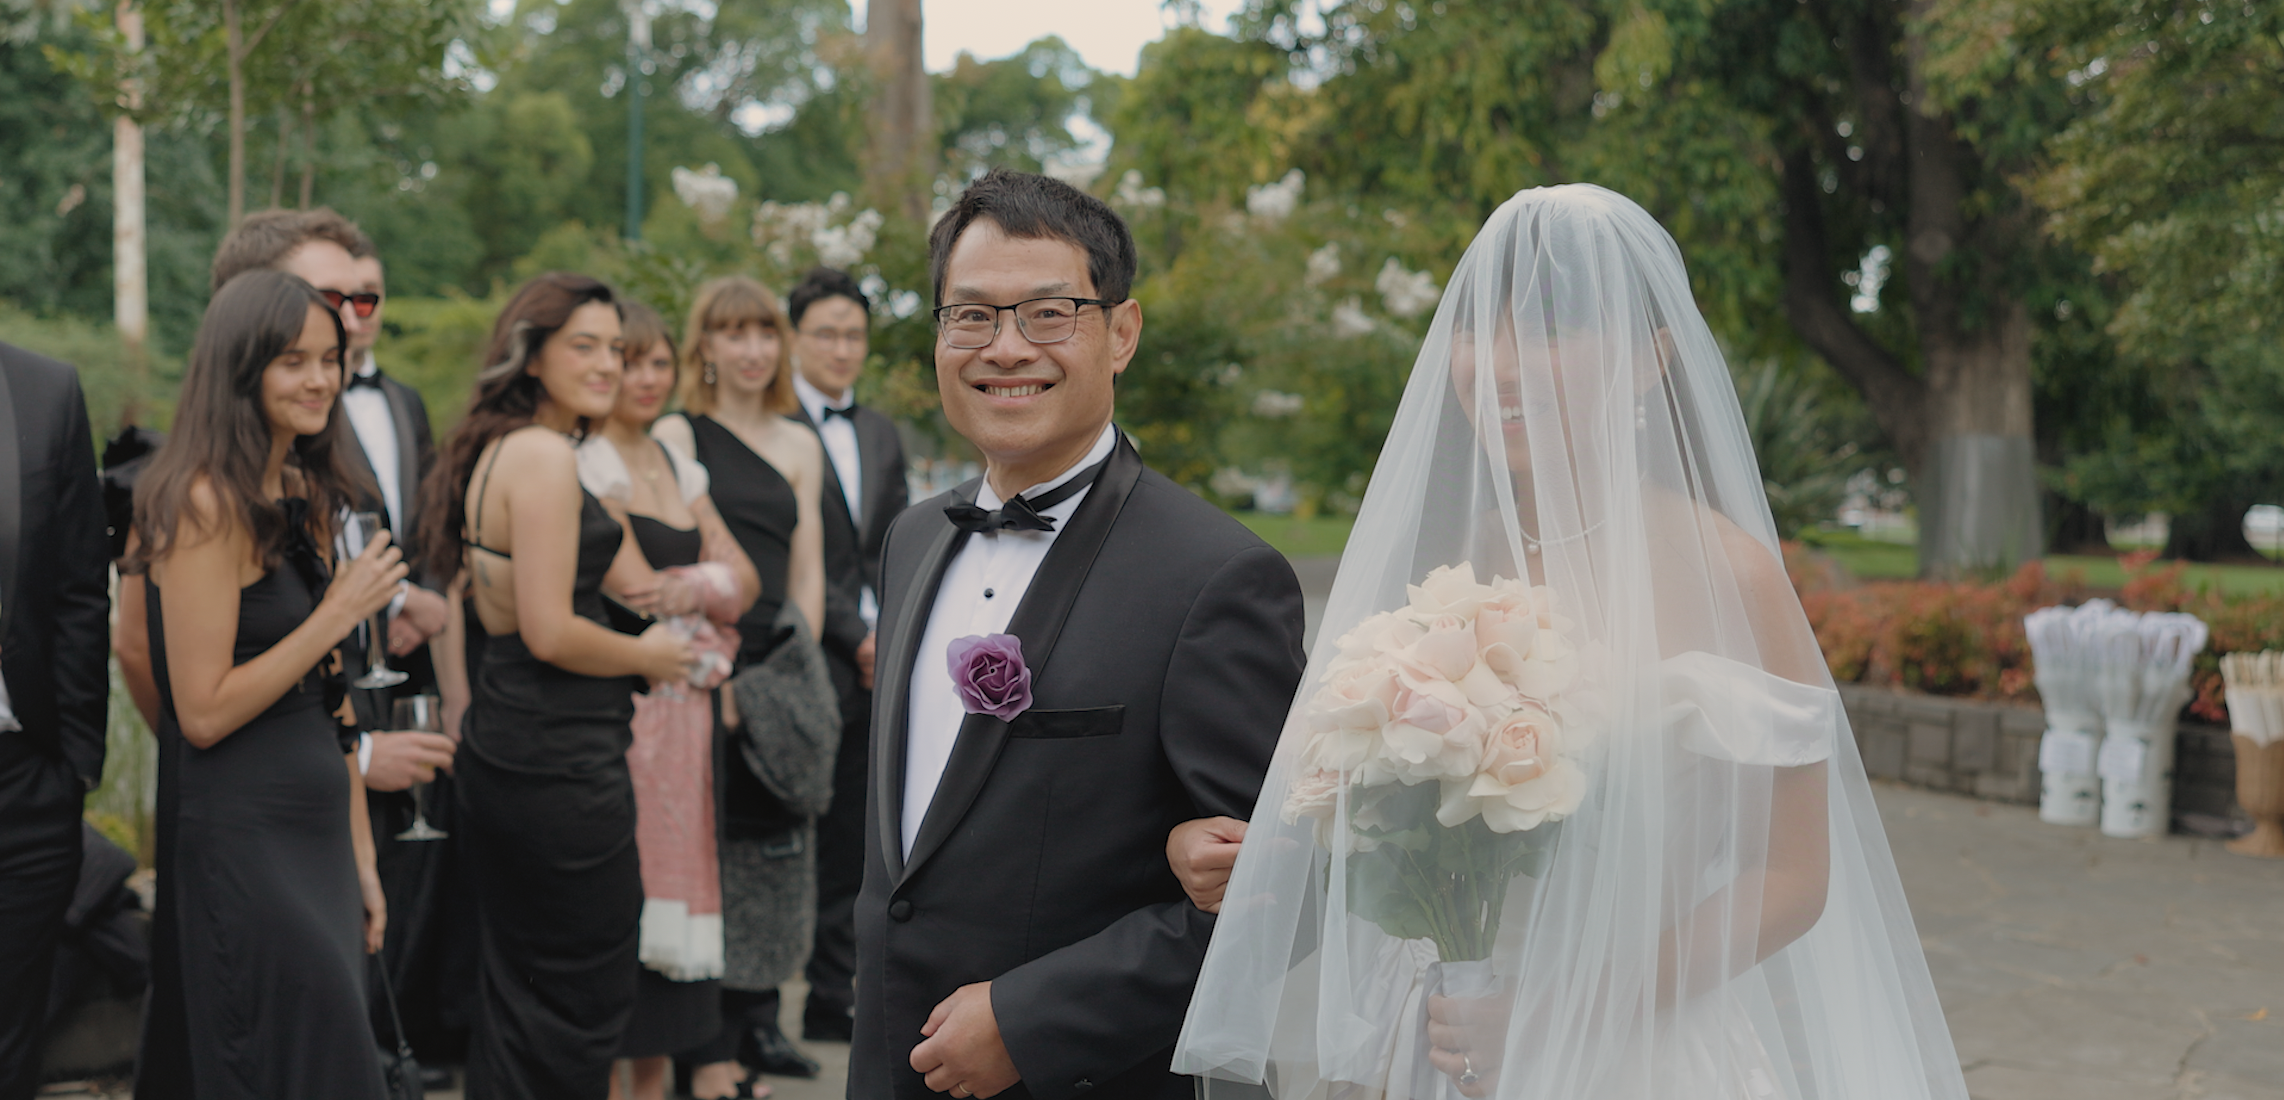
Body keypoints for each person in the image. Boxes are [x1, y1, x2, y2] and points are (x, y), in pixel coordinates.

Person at [1171, 185, 1968, 1100]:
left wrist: (1567, 1008)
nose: (1501, 366)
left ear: (1648, 362)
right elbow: (1383, 819)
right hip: (1437, 1037)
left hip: (1634, 1046)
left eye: (1549, 331)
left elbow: (1790, 875)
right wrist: (1245, 848)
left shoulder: (1730, 575)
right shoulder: (1442, 559)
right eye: (1478, 330)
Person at [848, 167, 1307, 1100]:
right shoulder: (910, 538)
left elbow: (1284, 894)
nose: (1005, 347)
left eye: (1048, 313)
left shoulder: (1216, 577)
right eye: (970, 316)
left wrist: (1035, 1020)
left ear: (1121, 332)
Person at [417, 273, 696, 1100]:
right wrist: (656, 660)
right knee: (583, 991)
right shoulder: (540, 456)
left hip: (520, 742)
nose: (609, 363)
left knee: (523, 991)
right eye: (585, 346)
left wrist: (702, 591)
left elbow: (620, 586)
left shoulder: (516, 447)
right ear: (531, 355)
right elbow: (548, 630)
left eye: (615, 346)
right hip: (556, 759)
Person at [129, 269, 405, 1099]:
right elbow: (203, 711)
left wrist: (360, 856)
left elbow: (334, 701)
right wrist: (336, 613)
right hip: (245, 833)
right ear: (240, 369)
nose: (321, 379)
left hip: (319, 828)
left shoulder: (301, 493)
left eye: (330, 359)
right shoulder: (201, 503)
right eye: (293, 361)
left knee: (334, 1066)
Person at [653, 277, 829, 1088]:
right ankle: (702, 1054)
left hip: (776, 674)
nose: (754, 350)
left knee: (770, 861)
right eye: (735, 334)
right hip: (696, 674)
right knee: (697, 860)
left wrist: (797, 684)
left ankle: (745, 1035)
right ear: (707, 348)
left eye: (765, 333)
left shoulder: (799, 443)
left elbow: (808, 575)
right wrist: (710, 679)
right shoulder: (676, 435)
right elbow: (670, 563)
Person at [583, 302, 762, 1100]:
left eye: (659, 363)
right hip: (627, 708)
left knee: (668, 985)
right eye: (631, 361)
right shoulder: (586, 463)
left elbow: (748, 582)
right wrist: (708, 591)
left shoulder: (673, 460)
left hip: (689, 718)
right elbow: (629, 587)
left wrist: (696, 590)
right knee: (622, 929)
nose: (648, 379)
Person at [338, 245, 469, 1080]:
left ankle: (400, 1041)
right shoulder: (301, 408)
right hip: (334, 663)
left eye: (370, 295)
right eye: (340, 296)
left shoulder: (407, 400)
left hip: (411, 661)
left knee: (413, 849)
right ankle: (358, 1044)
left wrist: (423, 601)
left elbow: (425, 526)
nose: (358, 311)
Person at [783, 265, 910, 1043]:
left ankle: (835, 997)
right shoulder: (771, 430)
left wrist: (889, 634)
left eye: (853, 335)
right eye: (825, 333)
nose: (841, 349)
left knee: (859, 842)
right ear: (796, 338)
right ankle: (755, 1017)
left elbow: (897, 545)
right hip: (807, 659)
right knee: (782, 840)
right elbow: (792, 563)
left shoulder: (881, 431)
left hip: (879, 663)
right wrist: (852, 635)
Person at [0, 341, 109, 1100]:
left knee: (11, 1033)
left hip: (28, 781)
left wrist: (76, 764)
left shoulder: (46, 390)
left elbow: (80, 589)